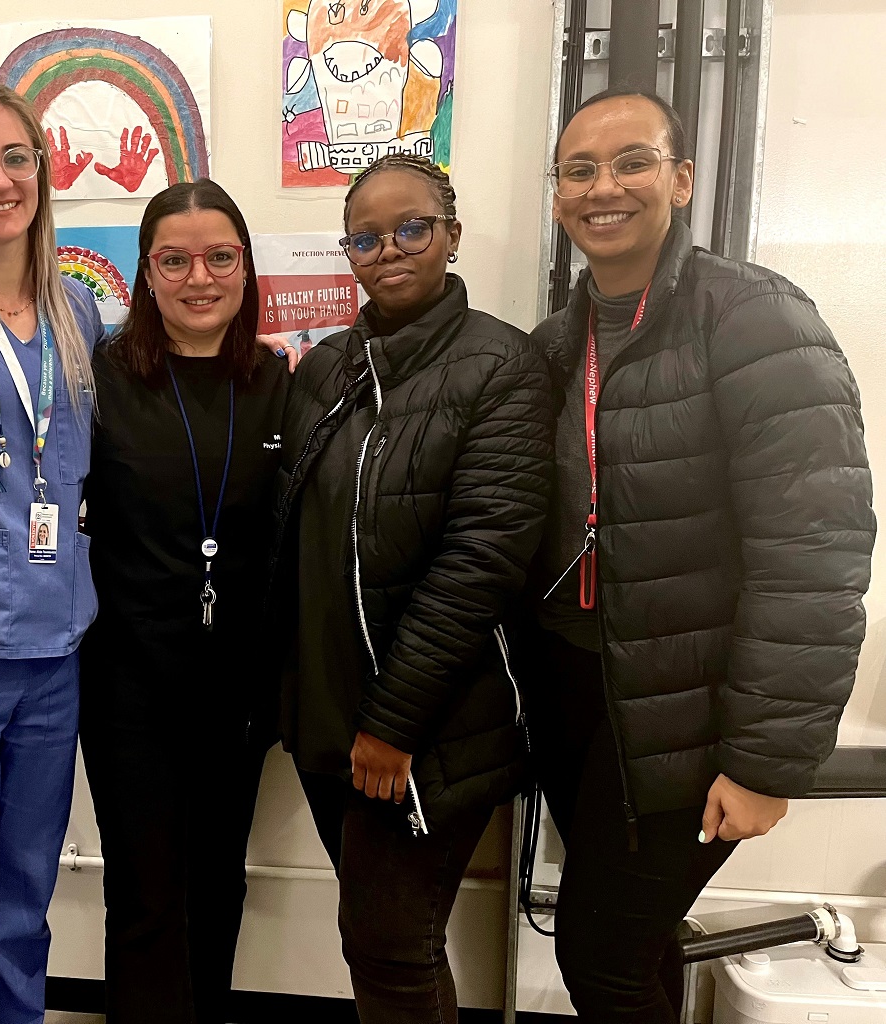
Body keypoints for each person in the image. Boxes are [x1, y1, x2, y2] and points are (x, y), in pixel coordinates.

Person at [519, 86, 874, 1024]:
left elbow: (815, 551)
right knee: (632, 947)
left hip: (688, 713)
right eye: (579, 169)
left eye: (631, 161)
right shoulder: (556, 343)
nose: (605, 186)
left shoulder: (752, 320)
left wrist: (765, 762)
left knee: (599, 957)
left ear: (679, 179)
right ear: (556, 196)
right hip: (578, 694)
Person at [271, 153, 554, 1023]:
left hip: (423, 725)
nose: (387, 249)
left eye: (411, 228)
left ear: (450, 236)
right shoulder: (326, 367)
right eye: (365, 236)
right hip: (328, 717)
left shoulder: (500, 366)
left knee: (391, 946)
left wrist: (391, 726)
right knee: (388, 942)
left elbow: (481, 563)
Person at [78, 180, 288, 1024]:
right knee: (145, 895)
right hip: (129, 684)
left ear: (244, 266)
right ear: (146, 273)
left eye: (218, 257)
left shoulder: (280, 380)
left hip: (237, 688)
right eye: (174, 259)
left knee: (218, 883)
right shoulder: (99, 377)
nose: (198, 277)